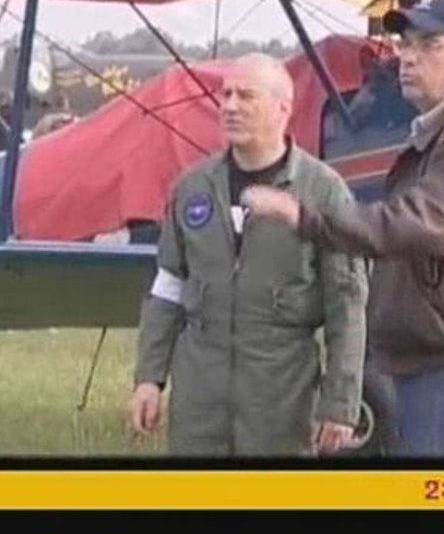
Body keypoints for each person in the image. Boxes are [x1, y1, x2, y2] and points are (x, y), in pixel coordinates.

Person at [242, 0, 444, 456]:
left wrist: (306, 218)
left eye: (429, 43)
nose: (408, 56)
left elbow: (424, 222)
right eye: (404, 43)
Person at [129, 53, 369, 456]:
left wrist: (340, 404)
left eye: (246, 96)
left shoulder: (323, 192)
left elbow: (347, 304)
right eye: (225, 95)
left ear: (283, 109)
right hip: (199, 400)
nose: (230, 106)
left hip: (282, 397)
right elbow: (168, 285)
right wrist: (149, 378)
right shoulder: (192, 188)